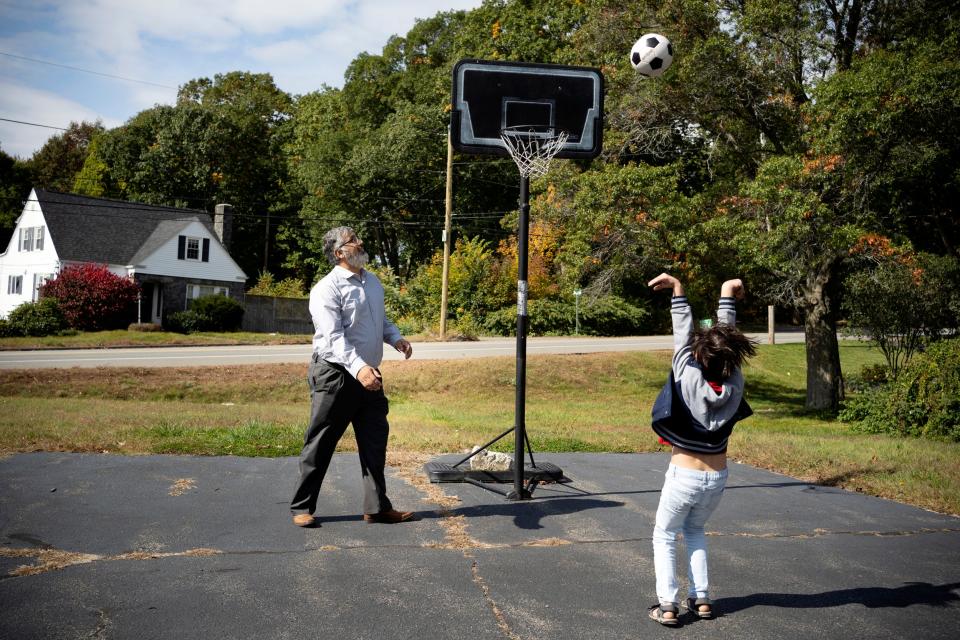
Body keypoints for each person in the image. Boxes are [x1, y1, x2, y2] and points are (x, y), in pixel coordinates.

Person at [646, 273, 757, 626]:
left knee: (664, 534)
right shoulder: (734, 382)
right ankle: (703, 599)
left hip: (685, 474)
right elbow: (726, 343)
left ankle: (667, 605)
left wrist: (678, 291)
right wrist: (727, 295)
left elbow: (683, 337)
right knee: (694, 531)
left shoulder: (688, 376)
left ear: (697, 356)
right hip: (717, 477)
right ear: (729, 358)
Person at [290, 226, 416, 527]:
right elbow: (334, 338)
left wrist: (395, 338)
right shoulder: (326, 289)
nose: (360, 243)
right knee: (321, 441)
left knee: (375, 441)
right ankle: (302, 507)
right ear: (339, 253)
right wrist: (359, 368)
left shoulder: (372, 282)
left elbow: (380, 320)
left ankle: (377, 508)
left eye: (358, 238)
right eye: (352, 241)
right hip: (335, 375)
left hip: (369, 375)